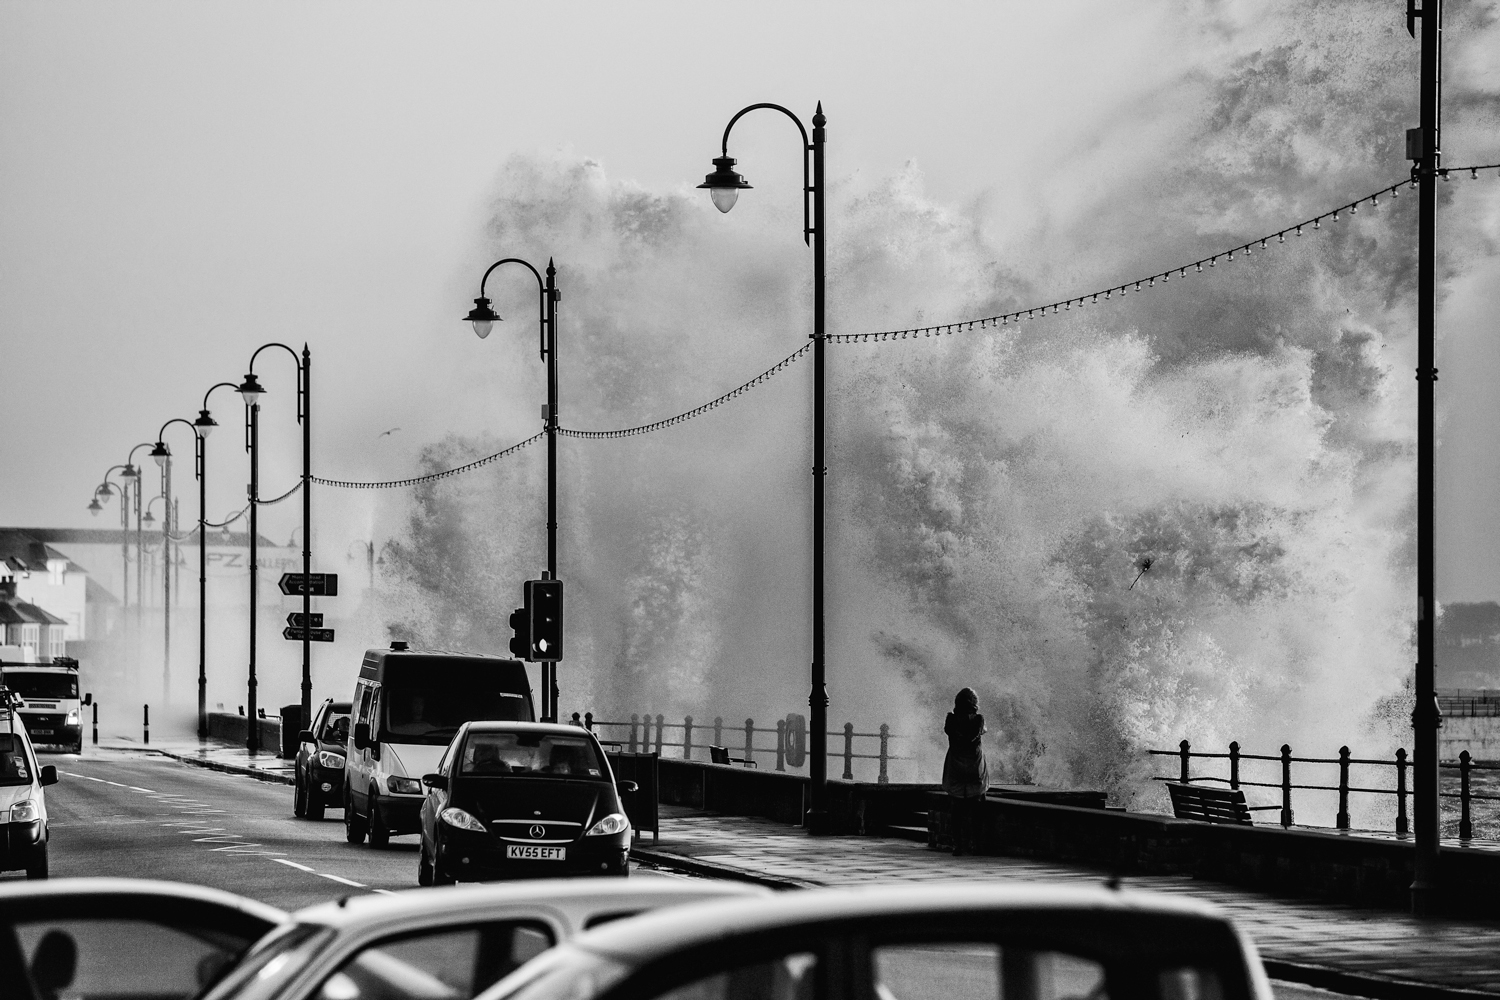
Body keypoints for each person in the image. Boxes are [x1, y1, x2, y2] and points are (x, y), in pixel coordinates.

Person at [942, 687, 988, 855]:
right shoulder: (978, 720)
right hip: (975, 766)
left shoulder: (951, 720)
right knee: (977, 807)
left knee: (957, 808)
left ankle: (958, 845)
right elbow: (979, 732)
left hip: (955, 765)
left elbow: (949, 732)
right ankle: (976, 844)